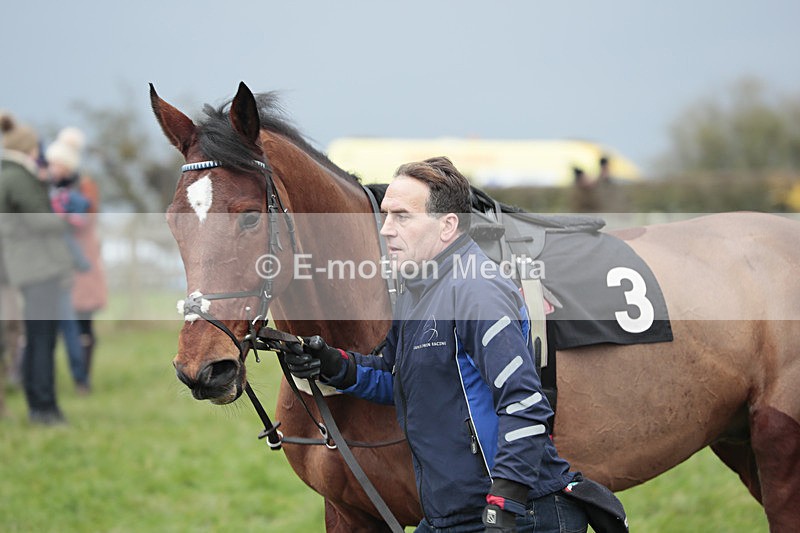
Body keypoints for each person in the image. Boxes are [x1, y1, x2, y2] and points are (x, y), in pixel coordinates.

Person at [287, 157, 589, 532]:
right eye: (385, 216)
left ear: (448, 226)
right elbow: (399, 378)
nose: (385, 230)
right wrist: (337, 366)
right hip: (452, 514)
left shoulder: (478, 292)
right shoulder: (417, 292)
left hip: (516, 514)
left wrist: (504, 501)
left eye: (402, 217)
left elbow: (525, 405)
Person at [1, 112, 74, 424]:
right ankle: (44, 407)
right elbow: (41, 220)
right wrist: (61, 218)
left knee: (36, 337)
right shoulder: (19, 177)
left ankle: (37, 403)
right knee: (43, 339)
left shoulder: (8, 175)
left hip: (23, 267)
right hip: (38, 267)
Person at [49, 127, 106, 389]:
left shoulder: (85, 187)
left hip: (83, 262)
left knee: (84, 321)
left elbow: (88, 220)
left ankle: (83, 377)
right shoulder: (49, 188)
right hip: (58, 261)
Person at [45, 134, 93, 393]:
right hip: (51, 266)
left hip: (62, 268)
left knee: (69, 326)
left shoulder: (75, 194)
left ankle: (80, 378)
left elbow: (82, 223)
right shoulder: (47, 189)